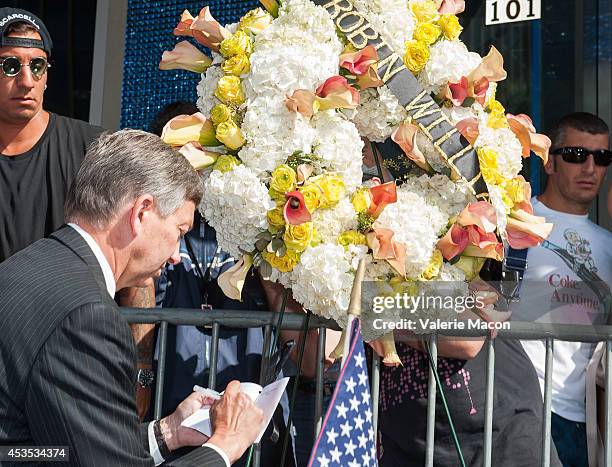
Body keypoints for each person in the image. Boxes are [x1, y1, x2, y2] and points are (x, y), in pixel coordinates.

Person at [0, 130, 265, 466]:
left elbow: (62, 448)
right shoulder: (88, 316)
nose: (175, 256)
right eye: (180, 231)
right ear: (142, 212)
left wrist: (168, 432)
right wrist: (225, 445)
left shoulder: (32, 263)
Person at [515, 112, 611, 467]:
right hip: (520, 407)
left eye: (602, 158)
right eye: (575, 155)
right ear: (550, 162)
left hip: (581, 421)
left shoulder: (609, 246)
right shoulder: (515, 225)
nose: (590, 168)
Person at [0, 7, 102, 262]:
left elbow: (132, 263)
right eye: (11, 66)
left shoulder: (93, 150)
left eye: (37, 66)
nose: (27, 81)